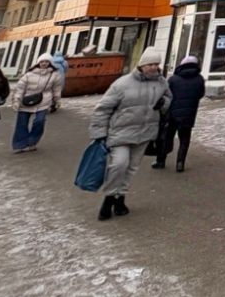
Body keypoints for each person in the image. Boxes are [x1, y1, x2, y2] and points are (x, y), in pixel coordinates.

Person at [88, 47, 171, 221]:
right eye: (150, 64)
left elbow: (168, 99)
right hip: (121, 132)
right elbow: (103, 108)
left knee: (131, 168)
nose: (153, 67)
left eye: (156, 64)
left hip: (144, 133)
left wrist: (164, 103)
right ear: (142, 64)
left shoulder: (161, 82)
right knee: (119, 164)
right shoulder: (122, 84)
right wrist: (99, 132)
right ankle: (109, 198)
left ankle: (120, 199)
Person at [154, 55, 206, 172]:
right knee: (184, 139)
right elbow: (201, 94)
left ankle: (161, 161)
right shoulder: (199, 79)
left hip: (172, 113)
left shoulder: (173, 79)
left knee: (167, 137)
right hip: (189, 114)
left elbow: (166, 94)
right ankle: (180, 163)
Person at [10, 53, 62, 152]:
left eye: (46, 62)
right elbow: (20, 88)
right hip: (26, 100)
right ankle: (20, 144)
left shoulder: (54, 75)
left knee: (40, 121)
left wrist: (57, 100)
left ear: (50, 63)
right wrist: (16, 100)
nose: (44, 63)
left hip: (44, 100)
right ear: (38, 63)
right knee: (22, 123)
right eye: (42, 62)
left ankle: (32, 141)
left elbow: (57, 89)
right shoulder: (29, 74)